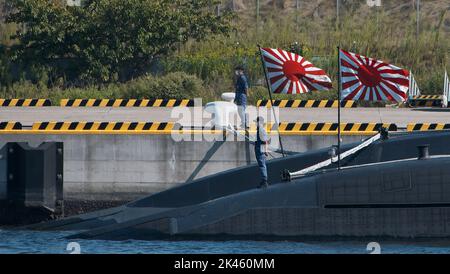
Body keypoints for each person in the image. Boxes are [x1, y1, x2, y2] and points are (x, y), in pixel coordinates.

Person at [254, 116, 269, 188]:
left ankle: (264, 180)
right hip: (258, 150)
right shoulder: (260, 130)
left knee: (262, 165)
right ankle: (264, 180)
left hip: (260, 151)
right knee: (261, 165)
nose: (255, 124)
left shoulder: (261, 130)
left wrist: (265, 150)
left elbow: (265, 141)